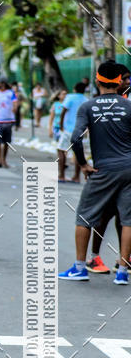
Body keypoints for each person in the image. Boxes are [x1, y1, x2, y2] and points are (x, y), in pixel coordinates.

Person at [59, 61, 131, 285]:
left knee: (84, 216)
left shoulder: (88, 107)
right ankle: (122, 271)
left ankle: (80, 267)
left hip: (104, 169)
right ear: (120, 83)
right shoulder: (128, 106)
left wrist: (83, 165)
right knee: (128, 219)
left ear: (97, 81)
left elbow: (75, 138)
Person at [87, 63, 131, 273]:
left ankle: (124, 259)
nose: (127, 82)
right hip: (108, 169)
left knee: (124, 216)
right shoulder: (110, 105)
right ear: (117, 81)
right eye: (125, 78)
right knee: (105, 215)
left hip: (122, 169)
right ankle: (95, 257)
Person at [58, 82, 86, 183]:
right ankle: (76, 177)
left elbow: (63, 111)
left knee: (61, 150)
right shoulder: (86, 100)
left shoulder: (70, 97)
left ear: (74, 89)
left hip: (68, 129)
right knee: (78, 153)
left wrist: (61, 126)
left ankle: (61, 175)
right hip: (80, 130)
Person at [0, 77, 18, 167]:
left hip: (8, 120)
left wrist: (14, 109)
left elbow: (15, 103)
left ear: (3, 83)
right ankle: (0, 160)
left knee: (6, 142)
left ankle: (4, 159)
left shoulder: (10, 93)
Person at [48, 89, 66, 165]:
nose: (65, 95)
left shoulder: (67, 104)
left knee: (65, 144)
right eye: (63, 94)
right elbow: (51, 118)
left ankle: (63, 160)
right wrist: (50, 129)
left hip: (65, 127)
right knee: (59, 144)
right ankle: (60, 159)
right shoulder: (55, 105)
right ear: (59, 96)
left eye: (66, 94)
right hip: (57, 127)